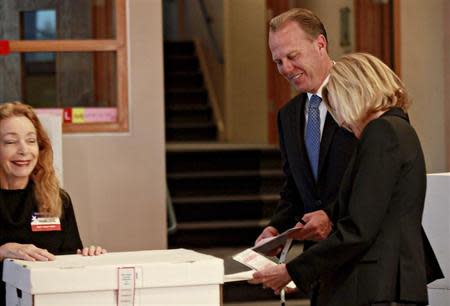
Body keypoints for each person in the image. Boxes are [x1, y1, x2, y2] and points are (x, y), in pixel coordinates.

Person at [253, 53, 444, 306]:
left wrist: (292, 271)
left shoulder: (382, 132)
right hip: (382, 283)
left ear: (353, 93)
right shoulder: (397, 129)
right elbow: (372, 209)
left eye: (336, 106)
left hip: (378, 286)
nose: (341, 121)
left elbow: (358, 229)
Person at [0, 102, 106, 306]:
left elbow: (69, 263)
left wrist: (88, 258)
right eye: (10, 142)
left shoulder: (56, 199)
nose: (24, 150)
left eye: (31, 141)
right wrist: (3, 251)